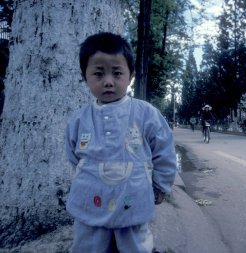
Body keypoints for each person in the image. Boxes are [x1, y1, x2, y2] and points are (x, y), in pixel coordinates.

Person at [65, 32, 177, 253]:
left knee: (136, 247)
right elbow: (73, 155)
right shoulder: (79, 119)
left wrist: (161, 185)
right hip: (90, 203)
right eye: (98, 73)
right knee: (88, 246)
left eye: (117, 73)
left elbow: (164, 151)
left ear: (130, 75)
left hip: (133, 199)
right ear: (84, 75)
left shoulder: (145, 113)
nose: (108, 81)